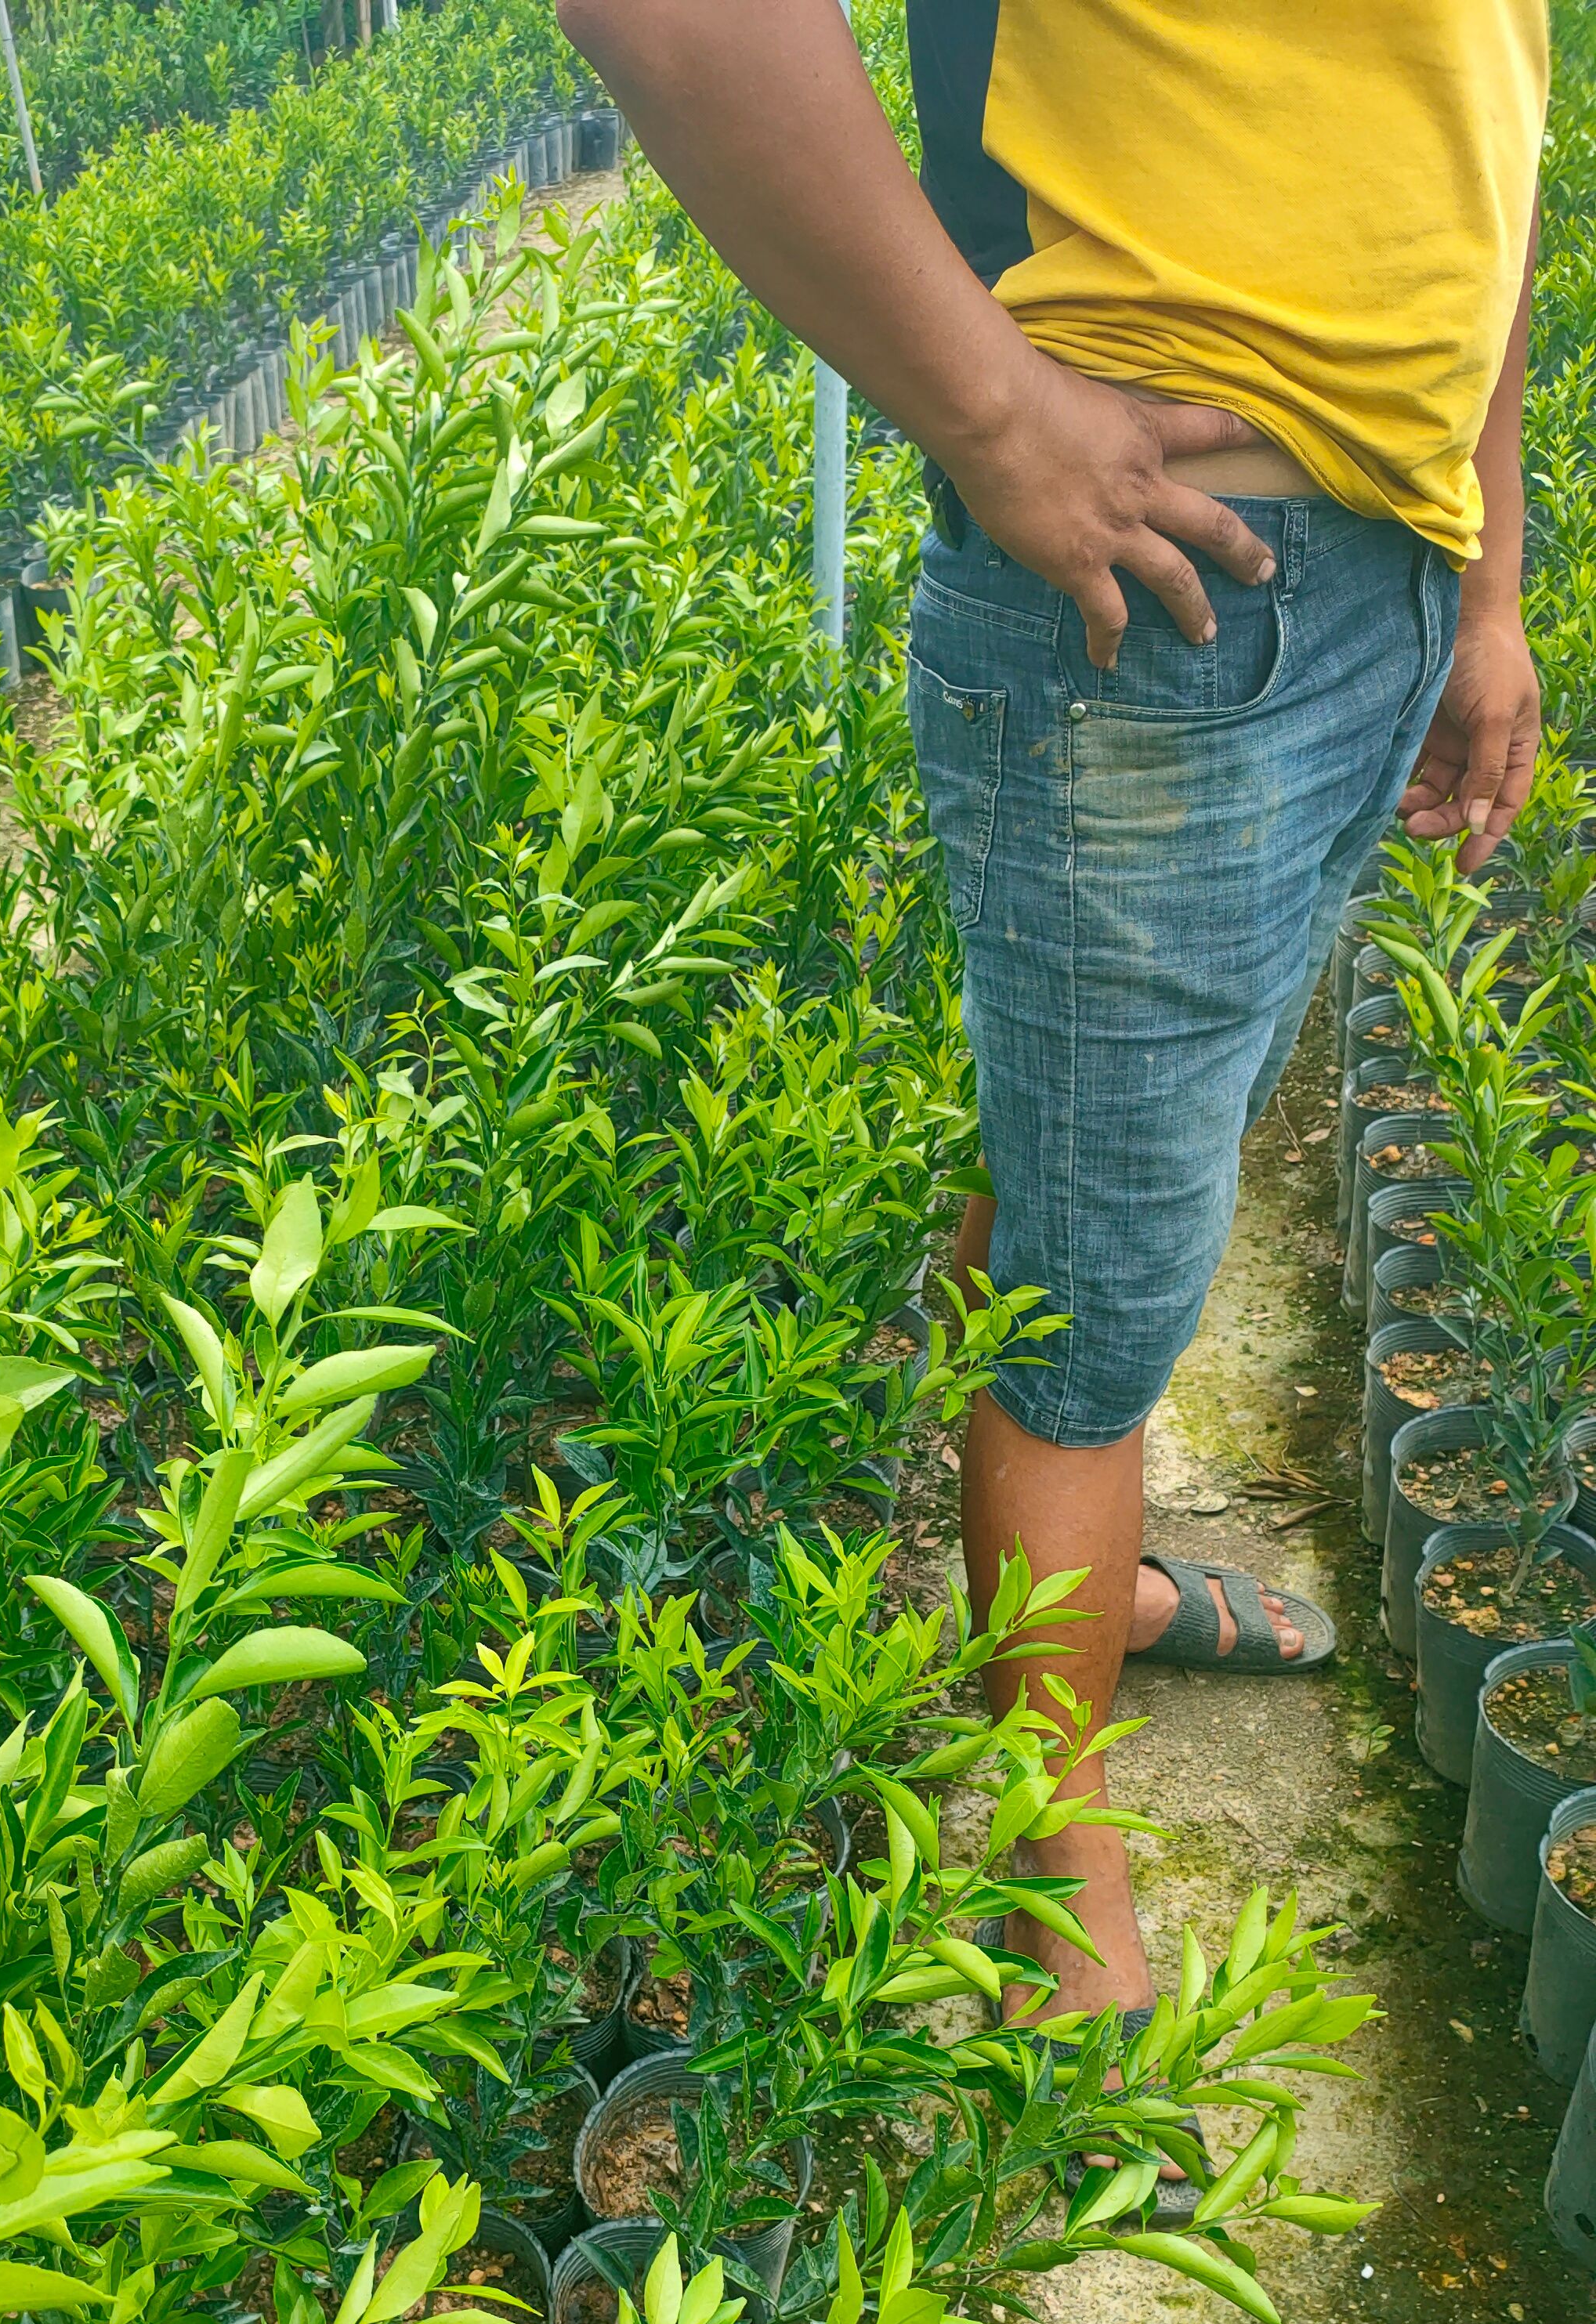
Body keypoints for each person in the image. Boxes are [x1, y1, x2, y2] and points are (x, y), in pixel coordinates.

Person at [554, 0, 1547, 2027]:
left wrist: (1492, 572)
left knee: (1116, 1200)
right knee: (1086, 1312)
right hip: (1163, 601)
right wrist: (995, 419)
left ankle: (1075, 1609)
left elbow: (1483, 108)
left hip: (1386, 571)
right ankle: (1042, 1834)